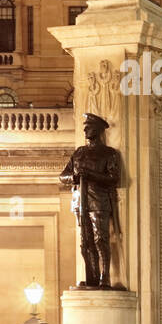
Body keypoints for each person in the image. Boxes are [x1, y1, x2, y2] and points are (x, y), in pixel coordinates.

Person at [59, 114, 122, 289]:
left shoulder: (108, 153)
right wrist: (74, 176)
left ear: (99, 130)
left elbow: (114, 178)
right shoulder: (79, 152)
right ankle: (91, 277)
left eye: (89, 127)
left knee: (100, 239)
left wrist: (91, 175)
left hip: (99, 200)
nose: (85, 130)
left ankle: (105, 277)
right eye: (85, 127)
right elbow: (62, 176)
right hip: (80, 201)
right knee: (85, 242)